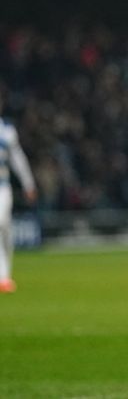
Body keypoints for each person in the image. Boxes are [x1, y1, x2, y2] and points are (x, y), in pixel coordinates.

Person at [0, 94, 37, 294]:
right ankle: (3, 277)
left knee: (4, 226)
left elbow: (18, 160)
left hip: (2, 187)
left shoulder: (6, 131)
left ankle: (5, 274)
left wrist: (28, 184)